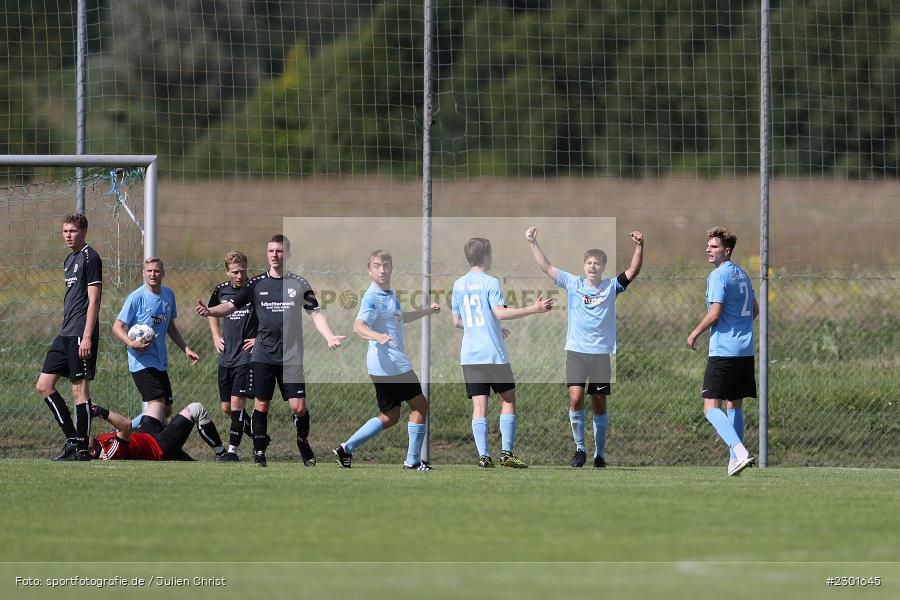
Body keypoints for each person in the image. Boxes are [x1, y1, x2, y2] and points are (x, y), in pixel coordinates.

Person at [196, 234, 346, 468]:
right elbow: (230, 305)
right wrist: (211, 311)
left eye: (279, 251)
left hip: (291, 356)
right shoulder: (255, 284)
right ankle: (259, 453)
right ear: (267, 254)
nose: (275, 255)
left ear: (287, 254)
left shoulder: (299, 284)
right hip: (263, 355)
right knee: (261, 404)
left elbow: (315, 312)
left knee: (298, 407)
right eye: (271, 251)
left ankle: (302, 439)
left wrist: (329, 336)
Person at [526, 227, 644, 468]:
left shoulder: (611, 286)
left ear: (603, 267)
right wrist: (533, 242)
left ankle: (599, 454)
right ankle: (580, 449)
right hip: (577, 353)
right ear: (584, 266)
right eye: (589, 263)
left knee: (599, 401)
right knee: (577, 397)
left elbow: (632, 271)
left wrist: (640, 246)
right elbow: (547, 267)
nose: (592, 267)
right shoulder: (573, 283)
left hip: (600, 354)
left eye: (597, 264)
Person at [451, 237, 553, 469]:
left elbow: (457, 320)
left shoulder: (458, 284)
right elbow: (499, 312)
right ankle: (506, 453)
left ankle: (483, 456)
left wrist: (487, 324)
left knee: (479, 407)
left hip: (469, 354)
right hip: (492, 354)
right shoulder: (490, 282)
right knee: (508, 399)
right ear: (487, 256)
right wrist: (533, 309)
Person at [333, 250, 439, 470]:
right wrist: (377, 335)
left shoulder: (389, 295)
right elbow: (358, 326)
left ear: (391, 268)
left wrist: (426, 311)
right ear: (369, 270)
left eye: (386, 265)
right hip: (392, 364)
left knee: (390, 415)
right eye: (377, 266)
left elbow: (401, 318)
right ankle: (412, 461)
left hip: (380, 366)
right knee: (420, 405)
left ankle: (346, 447)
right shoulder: (372, 297)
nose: (382, 270)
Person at [687, 226, 758, 477]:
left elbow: (715, 314)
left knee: (709, 407)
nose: (708, 249)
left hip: (724, 349)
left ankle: (739, 452)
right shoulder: (742, 274)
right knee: (734, 404)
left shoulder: (718, 276)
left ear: (726, 251)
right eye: (708, 245)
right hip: (745, 349)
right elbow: (755, 310)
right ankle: (733, 462)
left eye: (714, 246)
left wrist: (695, 332)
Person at [36, 213, 103, 461]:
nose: (68, 235)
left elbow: (94, 299)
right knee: (44, 386)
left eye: (72, 231)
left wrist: (87, 336)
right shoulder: (69, 259)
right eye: (65, 231)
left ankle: (83, 449)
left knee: (79, 392)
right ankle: (73, 440)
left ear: (83, 231)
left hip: (80, 333)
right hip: (65, 333)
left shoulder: (90, 257)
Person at [112, 258, 200, 432]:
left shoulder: (168, 295)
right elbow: (117, 327)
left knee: (166, 409)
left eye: (157, 271)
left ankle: (125, 428)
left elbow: (171, 328)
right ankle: (146, 440)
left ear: (163, 273)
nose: (153, 274)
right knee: (157, 403)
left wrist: (186, 349)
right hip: (141, 362)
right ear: (143, 273)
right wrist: (131, 343)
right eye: (149, 271)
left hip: (160, 361)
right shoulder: (136, 297)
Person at [206, 251, 257, 462]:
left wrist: (258, 339)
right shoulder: (221, 290)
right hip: (226, 355)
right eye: (235, 272)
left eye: (243, 271)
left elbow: (271, 315)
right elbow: (211, 312)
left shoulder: (255, 289)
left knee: (237, 406)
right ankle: (258, 433)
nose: (239, 275)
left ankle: (232, 452)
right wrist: (216, 336)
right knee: (226, 408)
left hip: (246, 356)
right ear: (227, 272)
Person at [88, 402, 225, 461]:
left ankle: (177, 453)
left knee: (156, 404)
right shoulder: (108, 454)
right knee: (196, 408)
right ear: (92, 452)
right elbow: (126, 426)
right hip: (159, 446)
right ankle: (223, 454)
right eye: (82, 442)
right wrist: (99, 411)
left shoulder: (97, 442)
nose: (82, 437)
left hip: (145, 434)